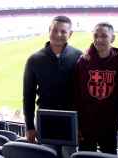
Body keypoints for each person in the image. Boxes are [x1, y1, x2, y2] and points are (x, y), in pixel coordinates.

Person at [23, 16, 82, 157]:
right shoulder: (34, 59)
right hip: (45, 119)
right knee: (47, 155)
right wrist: (30, 127)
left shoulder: (79, 56)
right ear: (49, 31)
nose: (58, 34)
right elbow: (28, 96)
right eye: (54, 30)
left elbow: (82, 94)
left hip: (71, 119)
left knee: (70, 155)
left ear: (70, 34)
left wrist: (82, 124)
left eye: (63, 31)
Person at [74, 22, 118, 154]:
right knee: (85, 156)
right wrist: (77, 124)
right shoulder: (83, 62)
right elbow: (77, 94)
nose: (99, 39)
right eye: (96, 35)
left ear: (112, 38)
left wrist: (116, 121)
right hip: (86, 125)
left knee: (109, 154)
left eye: (104, 36)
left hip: (110, 125)